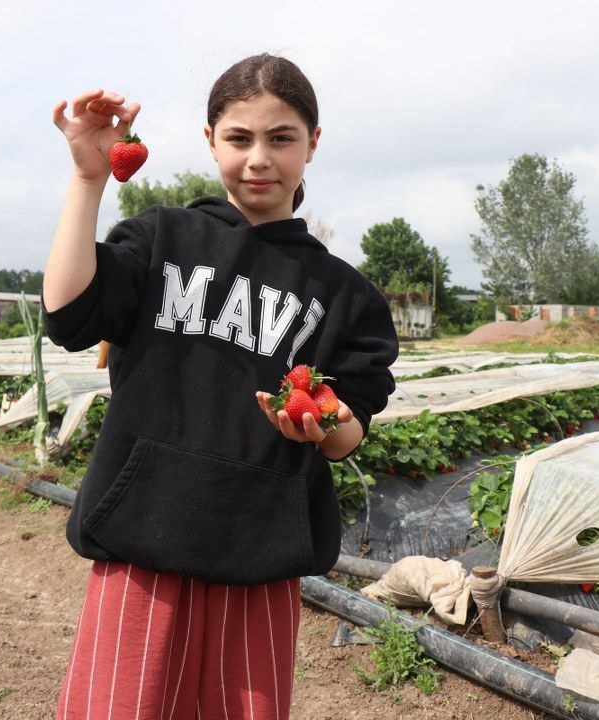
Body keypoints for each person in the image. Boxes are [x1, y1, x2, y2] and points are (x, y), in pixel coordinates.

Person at [43, 54, 398, 720]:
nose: (259, 158)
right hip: (145, 536)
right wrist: (88, 177)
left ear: (312, 145)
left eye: (281, 138)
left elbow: (350, 430)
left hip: (259, 554)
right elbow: (67, 315)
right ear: (211, 141)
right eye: (239, 138)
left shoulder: (345, 294)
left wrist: (323, 425)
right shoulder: (163, 239)